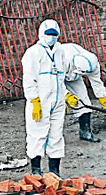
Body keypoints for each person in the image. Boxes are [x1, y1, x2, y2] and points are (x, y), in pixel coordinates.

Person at [22, 20, 67, 176]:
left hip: (58, 100)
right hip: (41, 101)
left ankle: (54, 170)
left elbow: (62, 77)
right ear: (41, 34)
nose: (51, 37)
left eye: (54, 35)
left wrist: (65, 96)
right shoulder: (33, 52)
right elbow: (29, 79)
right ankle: (36, 170)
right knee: (37, 133)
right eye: (48, 34)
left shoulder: (60, 52)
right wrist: (34, 100)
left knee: (56, 134)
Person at [60, 42, 106, 143]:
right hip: (52, 77)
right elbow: (55, 82)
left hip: (72, 76)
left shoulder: (93, 64)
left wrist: (105, 103)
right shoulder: (62, 59)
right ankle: (50, 137)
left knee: (84, 100)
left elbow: (97, 83)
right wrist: (67, 96)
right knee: (55, 106)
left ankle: (85, 132)